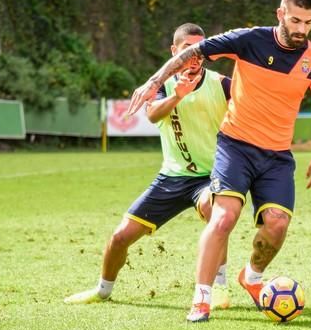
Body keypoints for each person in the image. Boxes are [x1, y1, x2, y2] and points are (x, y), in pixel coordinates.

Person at [127, 0, 311, 322]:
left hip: (277, 156)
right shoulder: (248, 40)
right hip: (235, 146)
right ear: (281, 14)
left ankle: (251, 278)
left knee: (277, 225)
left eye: (308, 23)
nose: (301, 29)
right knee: (223, 217)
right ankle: (201, 298)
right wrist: (154, 82)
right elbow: (192, 54)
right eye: (295, 20)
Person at [64, 23, 233, 310]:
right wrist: (178, 95)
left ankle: (219, 286)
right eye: (187, 51)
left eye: (199, 52)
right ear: (173, 52)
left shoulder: (222, 84)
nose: (195, 58)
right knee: (120, 238)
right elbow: (153, 115)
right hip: (171, 178)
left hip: (211, 176)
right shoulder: (162, 85)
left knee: (212, 209)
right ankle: (102, 291)